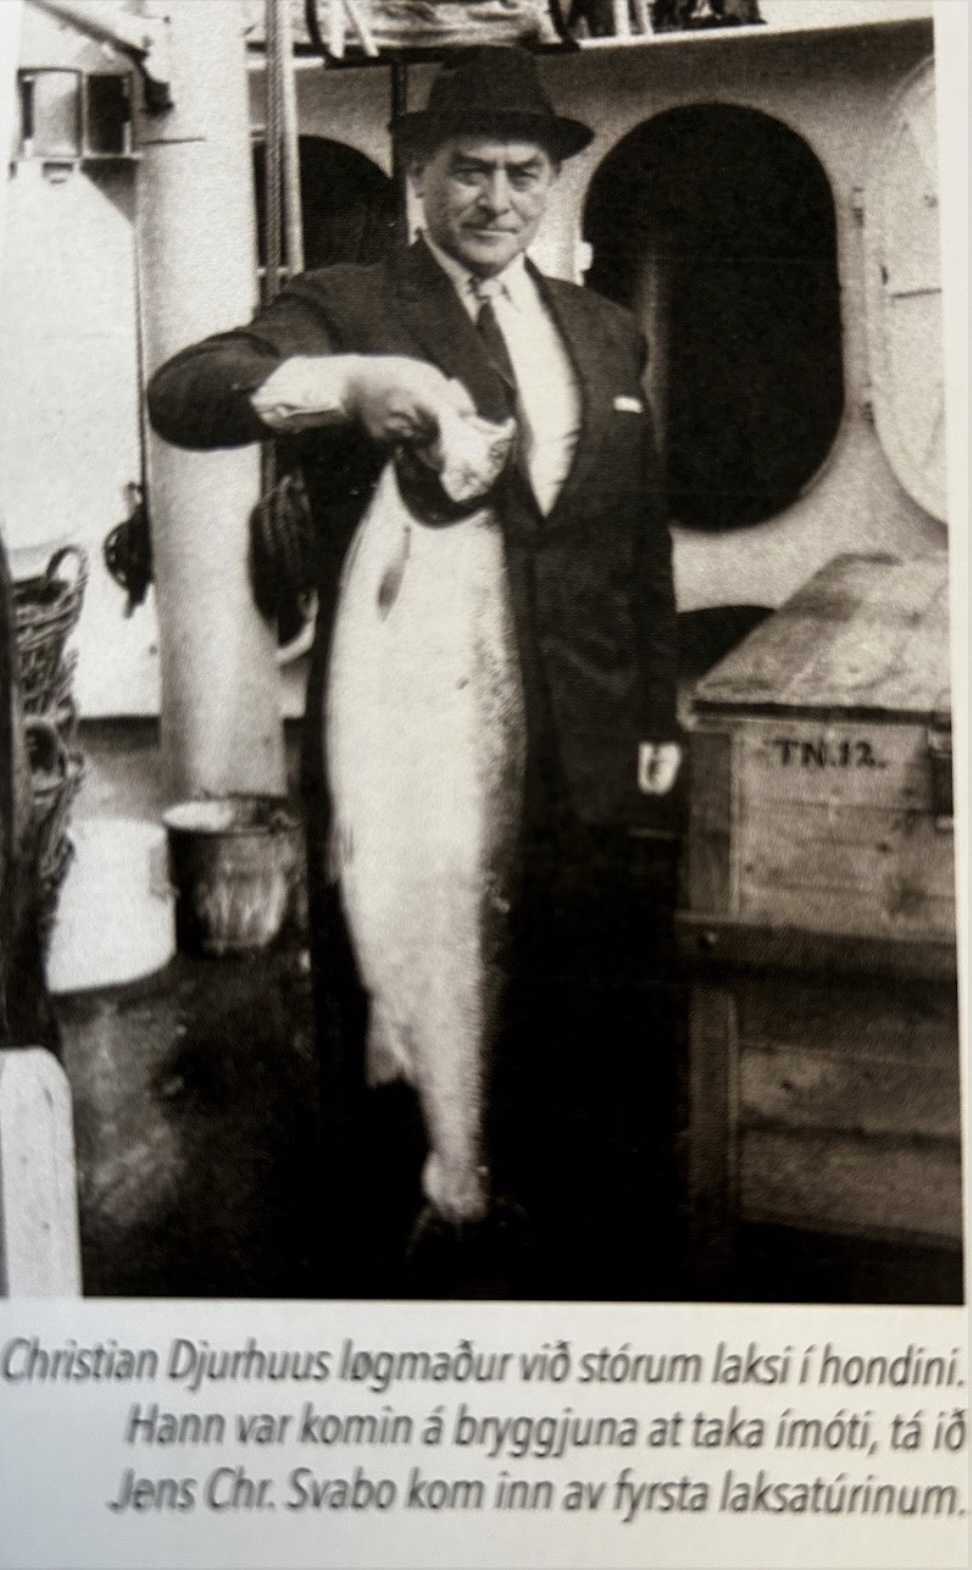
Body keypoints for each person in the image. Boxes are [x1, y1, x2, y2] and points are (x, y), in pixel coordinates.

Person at [148, 46, 681, 1294]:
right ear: (418, 177)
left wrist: (657, 713)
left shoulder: (606, 332)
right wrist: (347, 385)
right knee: (390, 1042)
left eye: (524, 173)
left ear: (552, 182)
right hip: (408, 766)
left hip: (591, 766)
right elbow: (186, 393)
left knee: (577, 1049)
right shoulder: (349, 304)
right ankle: (405, 1286)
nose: (498, 198)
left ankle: (561, 1284)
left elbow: (638, 546)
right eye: (471, 171)